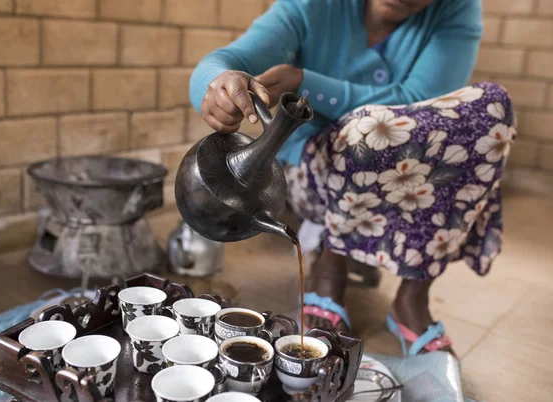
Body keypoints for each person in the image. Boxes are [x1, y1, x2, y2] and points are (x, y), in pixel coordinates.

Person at [189, 0, 514, 357]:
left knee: (490, 109)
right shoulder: (312, 6)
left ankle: (413, 296)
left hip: (409, 172)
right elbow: (225, 61)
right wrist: (217, 85)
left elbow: (419, 101)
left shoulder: (458, 9)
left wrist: (304, 82)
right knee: (365, 130)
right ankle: (330, 271)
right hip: (313, 173)